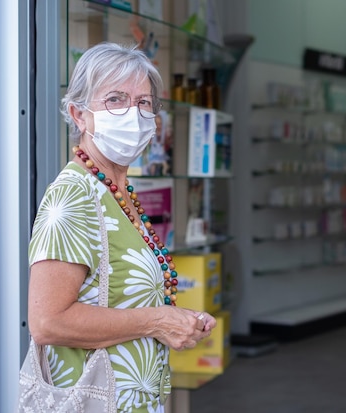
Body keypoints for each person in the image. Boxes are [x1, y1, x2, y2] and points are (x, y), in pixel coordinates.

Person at [26, 42, 216, 412]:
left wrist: (177, 320)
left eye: (144, 102)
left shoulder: (116, 191)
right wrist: (158, 320)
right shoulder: (73, 195)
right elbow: (47, 321)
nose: (134, 113)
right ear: (79, 115)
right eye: (115, 99)